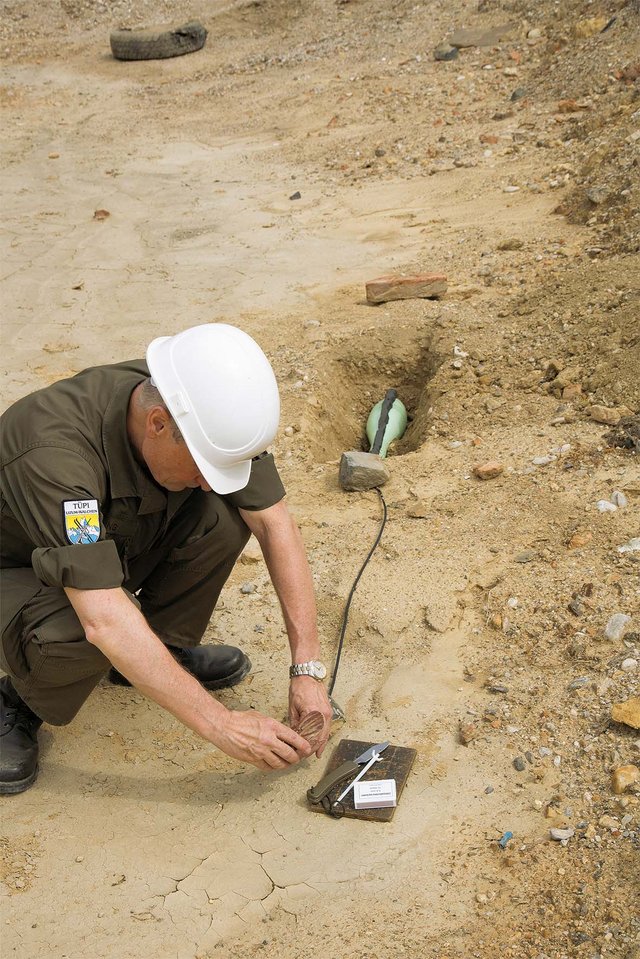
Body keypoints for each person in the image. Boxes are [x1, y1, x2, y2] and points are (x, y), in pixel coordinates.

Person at [0, 323, 333, 795]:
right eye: (202, 465)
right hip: (13, 566)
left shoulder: (201, 405)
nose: (209, 477)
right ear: (157, 424)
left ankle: (158, 652)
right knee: (81, 628)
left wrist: (308, 670)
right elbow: (104, 620)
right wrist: (222, 726)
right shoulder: (54, 455)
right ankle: (17, 701)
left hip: (91, 543)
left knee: (223, 513)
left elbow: (273, 522)